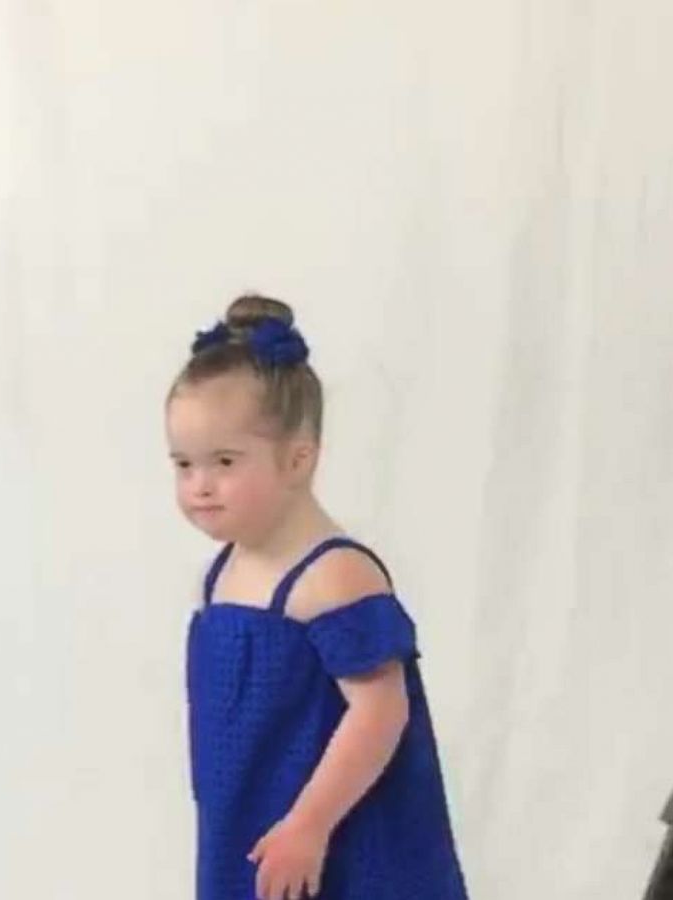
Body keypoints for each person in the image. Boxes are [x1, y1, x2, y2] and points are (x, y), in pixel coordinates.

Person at [167, 294, 467, 900]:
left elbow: (381, 712)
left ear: (297, 459)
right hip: (249, 822)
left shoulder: (333, 577)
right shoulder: (219, 574)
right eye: (183, 464)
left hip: (338, 830)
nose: (199, 486)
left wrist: (310, 824)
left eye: (223, 461)